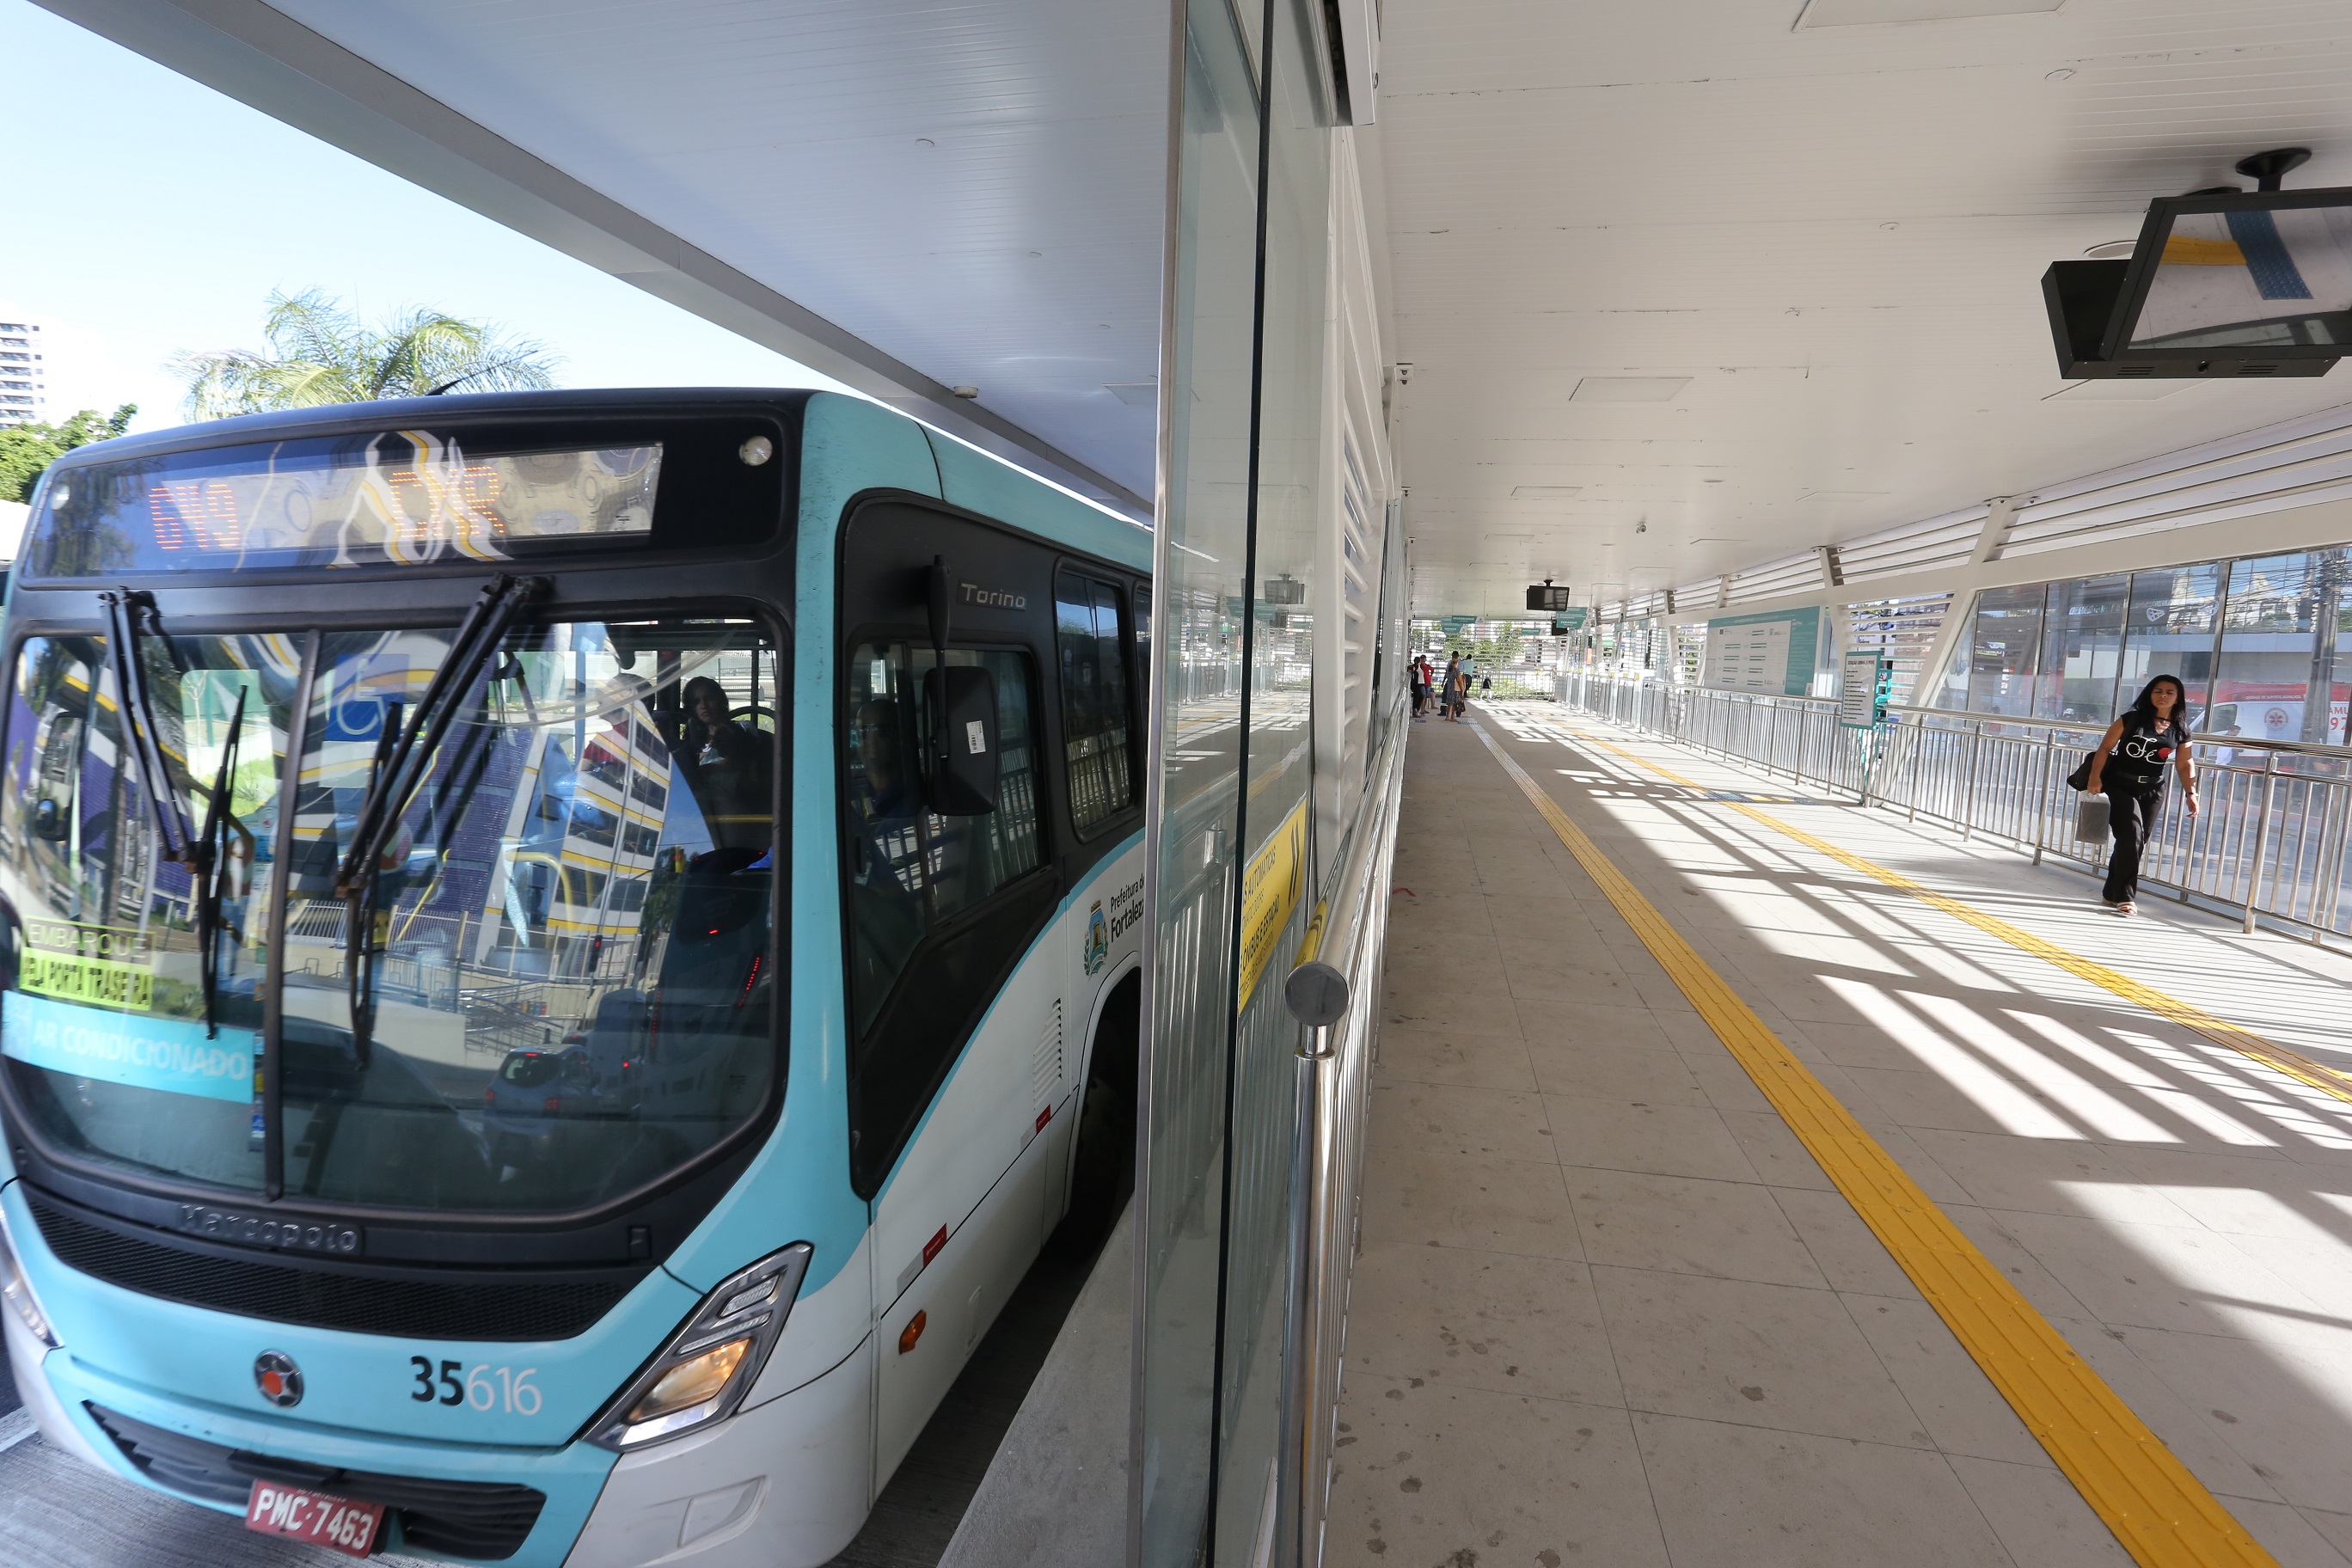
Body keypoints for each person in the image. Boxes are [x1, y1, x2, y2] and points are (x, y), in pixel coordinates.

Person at [2084, 673, 2199, 916]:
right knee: (2132, 835)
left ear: (2178, 698)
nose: (2163, 696)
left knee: (2136, 841)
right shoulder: (2131, 719)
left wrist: (2191, 792)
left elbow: (2185, 763)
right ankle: (2125, 897)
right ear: (2149, 693)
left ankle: (2110, 893)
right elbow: (2105, 748)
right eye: (2158, 691)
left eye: (2169, 692)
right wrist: (2095, 778)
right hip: (2120, 785)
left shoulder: (2181, 729)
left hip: (2153, 789)